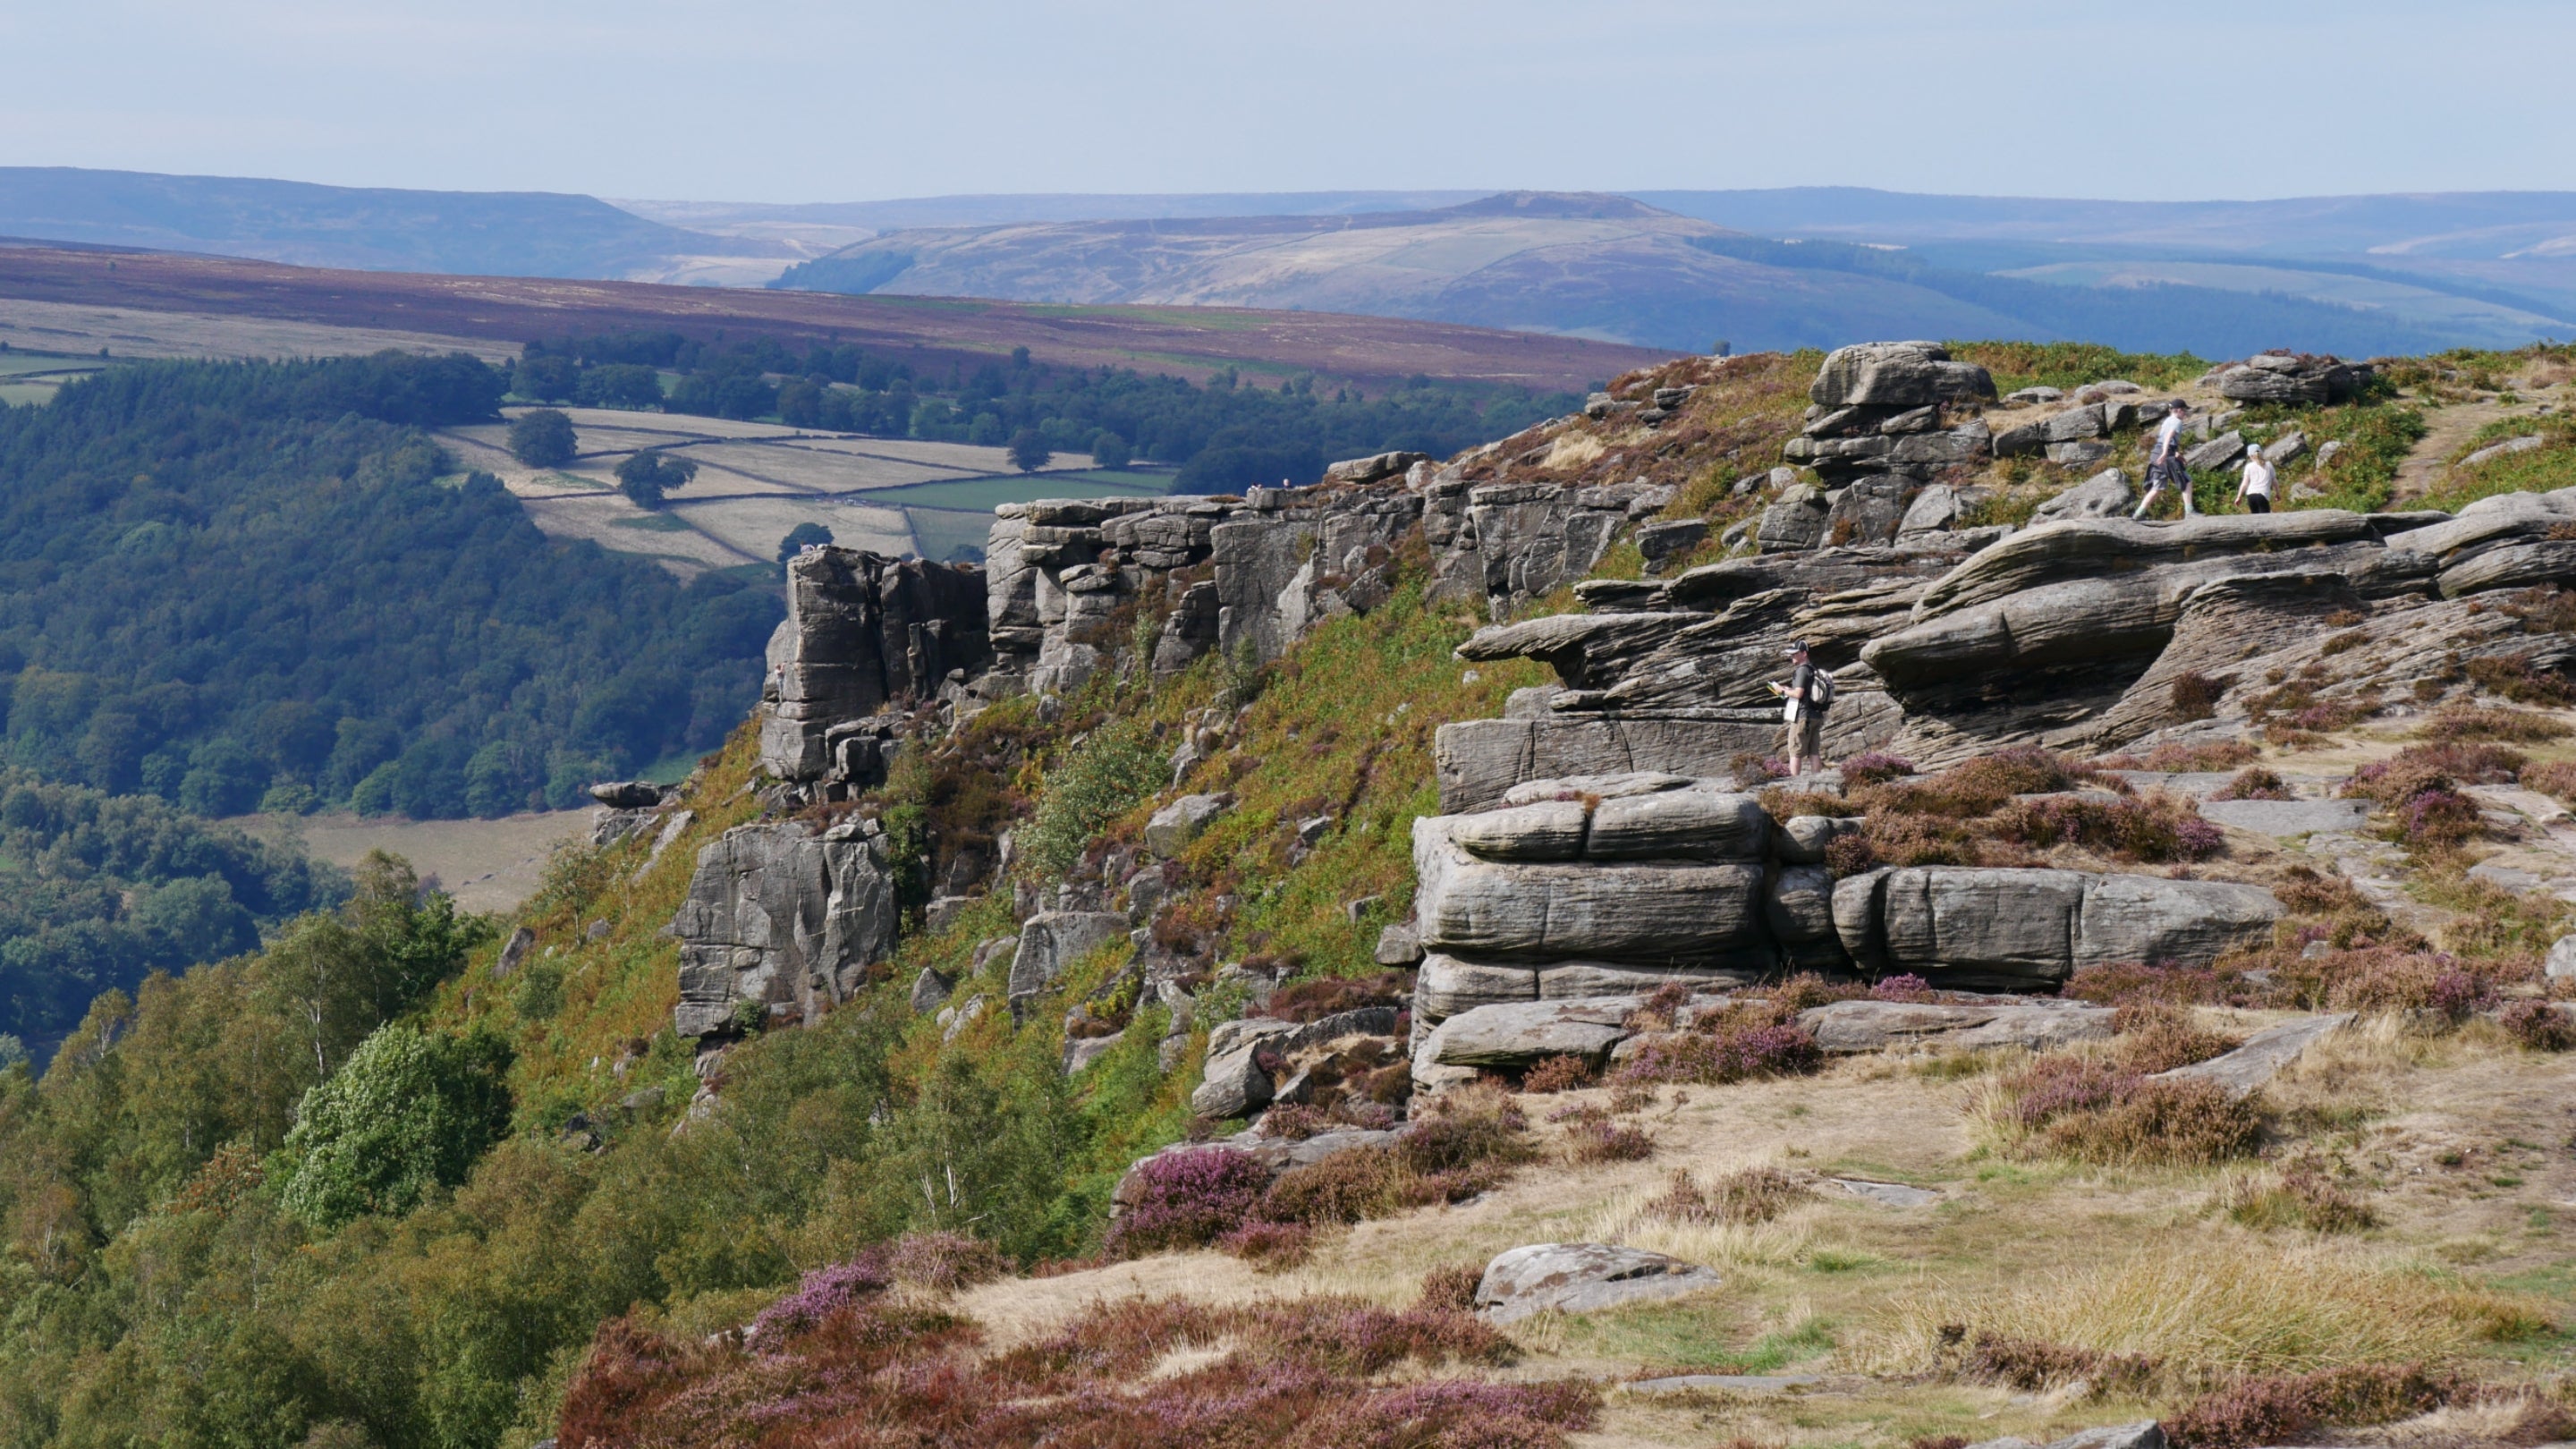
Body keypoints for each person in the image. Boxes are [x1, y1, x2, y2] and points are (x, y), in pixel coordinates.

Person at [2131, 399, 2198, 521]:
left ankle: (2138, 514)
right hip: (2165, 455)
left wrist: (2176, 453)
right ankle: (2190, 512)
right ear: (2178, 410)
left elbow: (2163, 440)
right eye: (2184, 411)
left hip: (2155, 454)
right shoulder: (2177, 421)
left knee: (2157, 488)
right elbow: (2168, 437)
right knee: (2187, 481)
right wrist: (2166, 452)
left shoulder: (2167, 421)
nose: (2185, 413)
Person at [1767, 640, 1826, 777]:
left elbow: (1798, 694)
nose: (1792, 656)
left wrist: (1781, 691)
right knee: (1814, 751)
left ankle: (1794, 784)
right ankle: (1817, 781)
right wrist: (1789, 689)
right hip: (1816, 716)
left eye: (1795, 654)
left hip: (1802, 716)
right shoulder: (1813, 669)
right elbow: (1804, 691)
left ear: (1804, 654)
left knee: (1795, 751)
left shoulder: (1802, 670)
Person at [2235, 442, 2275, 514]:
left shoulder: (2249, 466)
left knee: (2255, 518)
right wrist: (2277, 493)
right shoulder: (2269, 465)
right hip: (2263, 495)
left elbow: (2244, 484)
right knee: (2265, 519)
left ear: (2250, 456)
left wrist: (2239, 496)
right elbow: (2274, 481)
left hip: (2251, 495)